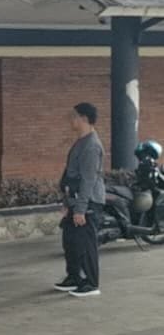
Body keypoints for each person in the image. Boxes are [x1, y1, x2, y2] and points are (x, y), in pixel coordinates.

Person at [54, 102, 105, 298]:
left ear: (83, 118)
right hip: (75, 201)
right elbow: (70, 174)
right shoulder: (80, 141)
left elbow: (88, 180)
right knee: (70, 241)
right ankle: (74, 277)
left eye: (73, 116)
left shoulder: (91, 146)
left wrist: (81, 209)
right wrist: (67, 203)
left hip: (88, 201)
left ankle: (91, 284)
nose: (70, 120)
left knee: (86, 244)